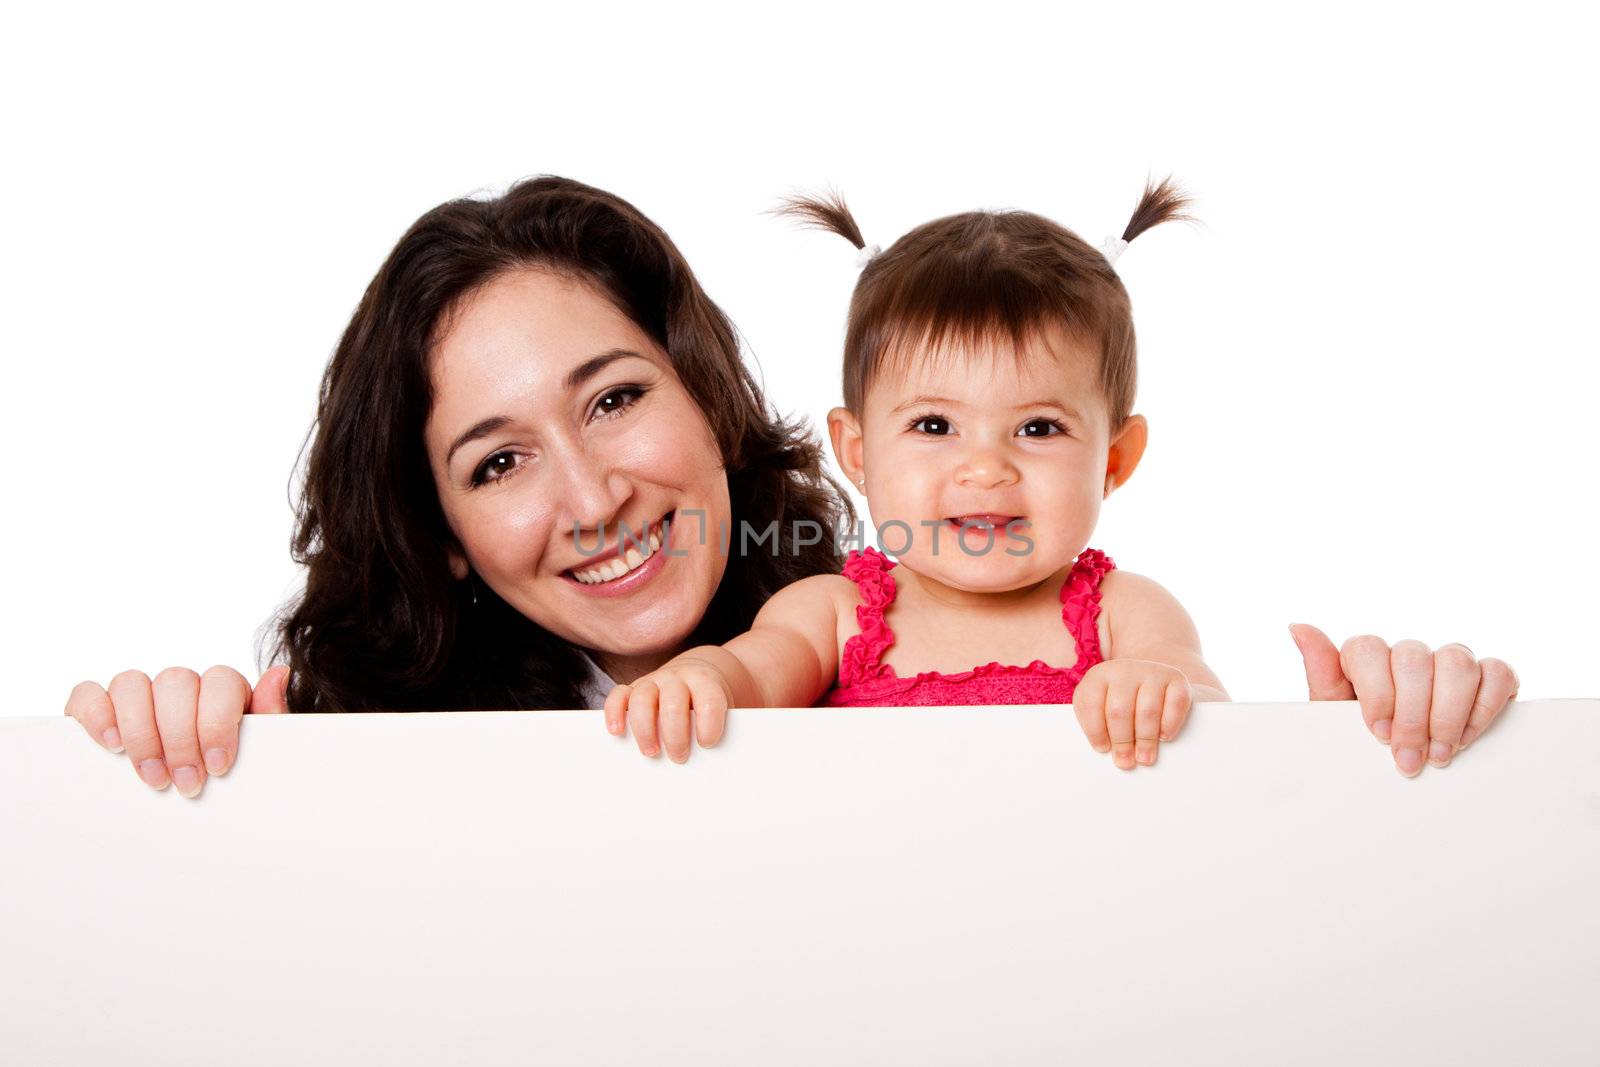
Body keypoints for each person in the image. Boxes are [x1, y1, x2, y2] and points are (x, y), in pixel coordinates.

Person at [605, 179, 1520, 775]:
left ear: (1116, 458)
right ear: (855, 451)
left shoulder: (1123, 610)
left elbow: (1198, 698)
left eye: (1039, 427)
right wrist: (702, 680)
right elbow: (752, 675)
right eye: (932, 425)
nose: (985, 467)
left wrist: (1158, 689)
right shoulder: (835, 613)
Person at [62, 176, 850, 796]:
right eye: (498, 463)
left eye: (613, 400)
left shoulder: (906, 642)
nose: (595, 500)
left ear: (705, 394)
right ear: (442, 537)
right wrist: (180, 770)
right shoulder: (367, 772)